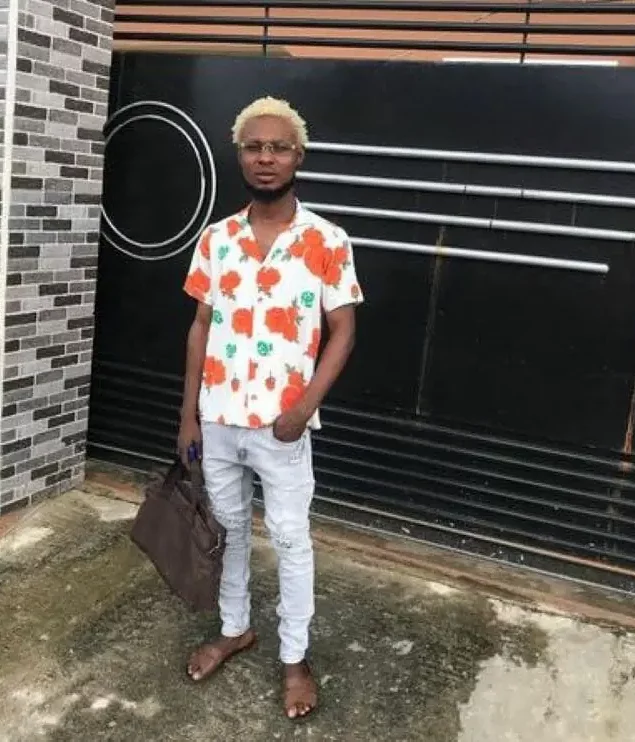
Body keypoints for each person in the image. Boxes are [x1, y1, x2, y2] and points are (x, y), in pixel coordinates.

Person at [177, 96, 363, 719]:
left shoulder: (326, 241)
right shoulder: (217, 239)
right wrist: (188, 415)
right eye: (254, 146)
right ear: (239, 155)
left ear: (298, 156)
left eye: (278, 147)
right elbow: (200, 326)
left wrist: (304, 407)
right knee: (227, 531)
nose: (265, 157)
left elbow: (344, 331)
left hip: (283, 426)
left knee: (290, 539)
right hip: (219, 417)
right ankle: (235, 629)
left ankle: (295, 657)